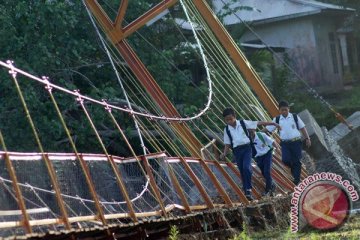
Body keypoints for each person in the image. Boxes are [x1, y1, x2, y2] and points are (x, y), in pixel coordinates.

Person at [219, 107, 280, 200]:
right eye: (227, 120)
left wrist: (273, 123)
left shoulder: (243, 123)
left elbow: (258, 123)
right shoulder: (226, 129)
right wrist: (224, 153)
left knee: (246, 167)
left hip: (247, 148)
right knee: (242, 171)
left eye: (230, 119)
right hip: (237, 151)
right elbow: (227, 143)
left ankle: (249, 189)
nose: (229, 121)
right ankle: (247, 192)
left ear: (235, 117)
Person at [266, 100, 311, 185]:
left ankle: (296, 180)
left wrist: (307, 138)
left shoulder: (294, 117)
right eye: (282, 110)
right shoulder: (277, 119)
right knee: (285, 160)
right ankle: (295, 171)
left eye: (285, 109)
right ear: (279, 110)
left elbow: (302, 127)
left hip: (296, 142)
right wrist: (258, 132)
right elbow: (268, 129)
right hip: (285, 143)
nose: (284, 111)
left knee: (296, 161)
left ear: (288, 109)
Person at [251, 131, 277, 196]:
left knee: (267, 172)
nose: (250, 131)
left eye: (251, 129)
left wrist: (277, 148)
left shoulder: (261, 135)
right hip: (258, 157)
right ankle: (273, 185)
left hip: (267, 154)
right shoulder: (247, 139)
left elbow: (272, 141)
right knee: (264, 173)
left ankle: (268, 190)